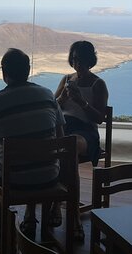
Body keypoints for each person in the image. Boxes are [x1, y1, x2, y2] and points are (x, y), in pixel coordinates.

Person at [0, 48, 65, 244]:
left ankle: (0, 220)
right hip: (50, 176)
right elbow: (61, 138)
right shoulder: (47, 95)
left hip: (14, 182)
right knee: (35, 157)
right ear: (28, 70)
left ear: (4, 73)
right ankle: (32, 218)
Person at [51, 40, 109, 240]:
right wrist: (63, 99)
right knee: (61, 148)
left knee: (68, 147)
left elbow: (99, 118)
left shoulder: (98, 84)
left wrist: (81, 102)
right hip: (63, 127)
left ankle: (68, 211)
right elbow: (51, 108)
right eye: (75, 60)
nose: (78, 65)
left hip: (85, 132)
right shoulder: (66, 79)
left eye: (82, 61)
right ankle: (58, 203)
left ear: (90, 61)